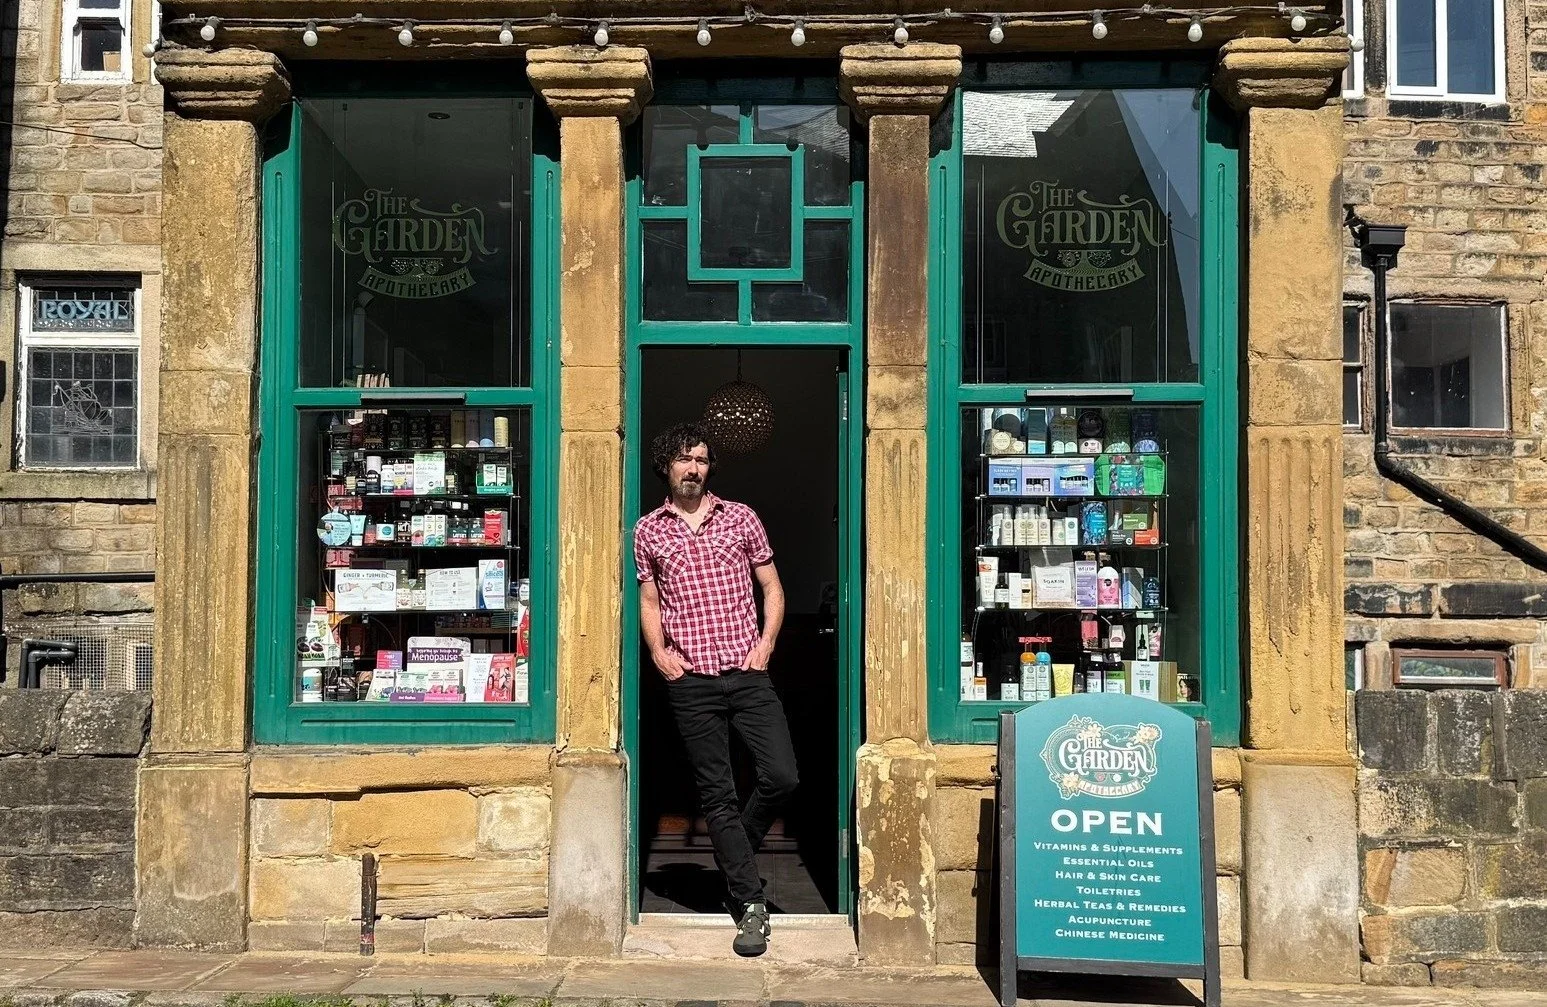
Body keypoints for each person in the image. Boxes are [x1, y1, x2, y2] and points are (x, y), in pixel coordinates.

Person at [633, 422, 796, 958]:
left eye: (701, 459)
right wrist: (658, 653)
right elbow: (651, 601)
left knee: (782, 776)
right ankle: (750, 905)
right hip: (691, 683)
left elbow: (771, 586)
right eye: (684, 459)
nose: (694, 468)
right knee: (717, 794)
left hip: (747, 673)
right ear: (667, 465)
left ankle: (735, 856)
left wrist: (767, 644)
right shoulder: (648, 531)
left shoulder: (741, 517)